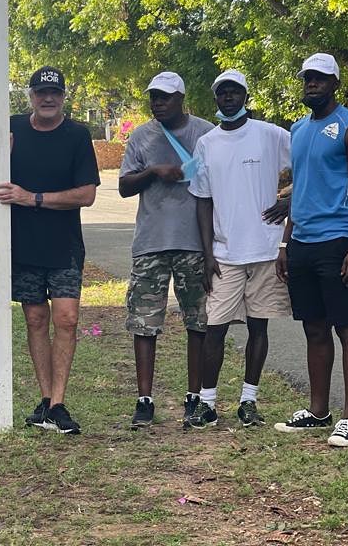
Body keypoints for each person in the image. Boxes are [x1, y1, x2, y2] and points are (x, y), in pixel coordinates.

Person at [274, 53, 348, 447]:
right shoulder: (298, 128)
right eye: (307, 78)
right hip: (302, 242)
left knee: (347, 327)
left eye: (319, 78)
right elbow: (300, 189)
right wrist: (285, 242)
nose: (312, 83)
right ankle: (318, 412)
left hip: (337, 240)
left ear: (335, 83)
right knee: (314, 327)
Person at [0, 67, 100, 434]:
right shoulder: (9, 129)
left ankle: (58, 403)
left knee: (66, 319)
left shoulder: (77, 136)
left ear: (64, 97)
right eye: (41, 92)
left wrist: (32, 198)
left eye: (55, 92)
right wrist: (0, 156)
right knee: (36, 319)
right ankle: (45, 401)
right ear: (31, 96)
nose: (48, 98)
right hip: (23, 244)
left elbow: (86, 194)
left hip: (64, 246)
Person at [186, 69, 292, 429]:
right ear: (216, 98)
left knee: (258, 327)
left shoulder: (270, 135)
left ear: (246, 96)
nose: (228, 97)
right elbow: (202, 200)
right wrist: (207, 254)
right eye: (222, 92)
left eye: (235, 91)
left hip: (265, 249)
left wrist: (290, 201)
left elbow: (311, 165)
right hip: (225, 255)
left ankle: (249, 401)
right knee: (215, 328)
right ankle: (207, 404)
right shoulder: (207, 143)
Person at [119, 72, 213, 429]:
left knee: (198, 322)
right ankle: (144, 400)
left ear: (181, 99)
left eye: (165, 97)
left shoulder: (205, 133)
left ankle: (194, 397)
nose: (157, 103)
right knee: (144, 323)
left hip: (194, 243)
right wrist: (154, 171)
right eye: (153, 97)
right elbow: (124, 186)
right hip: (151, 242)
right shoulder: (141, 136)